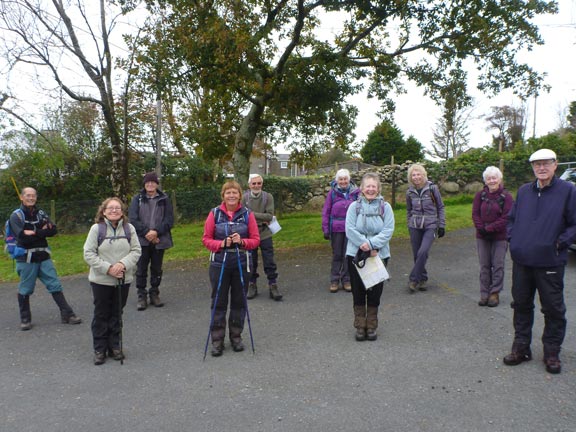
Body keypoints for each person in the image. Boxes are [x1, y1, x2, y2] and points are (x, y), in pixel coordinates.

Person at [503, 149, 576, 375]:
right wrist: (513, 239)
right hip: (522, 260)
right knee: (521, 305)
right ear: (532, 167)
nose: (541, 168)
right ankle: (521, 347)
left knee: (553, 309)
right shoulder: (524, 191)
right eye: (537, 164)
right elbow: (511, 219)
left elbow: (574, 224)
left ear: (555, 165)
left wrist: (559, 243)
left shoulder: (568, 191)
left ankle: (552, 351)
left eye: (546, 164)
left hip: (550, 262)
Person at [10, 187, 82, 331]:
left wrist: (34, 232)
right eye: (28, 195)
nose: (31, 198)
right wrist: (42, 232)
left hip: (43, 256)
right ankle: (25, 319)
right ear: (21, 197)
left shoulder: (41, 213)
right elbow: (22, 237)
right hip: (26, 257)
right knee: (26, 289)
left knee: (55, 285)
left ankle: (67, 314)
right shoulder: (16, 216)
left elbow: (53, 230)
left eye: (33, 195)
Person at [202, 181, 260, 357]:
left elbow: (255, 239)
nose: (232, 196)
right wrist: (222, 243)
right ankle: (217, 340)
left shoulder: (247, 214)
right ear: (223, 195)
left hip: (242, 262)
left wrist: (242, 242)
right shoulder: (214, 214)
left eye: (235, 192)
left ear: (240, 195)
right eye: (228, 193)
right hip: (219, 263)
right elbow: (206, 239)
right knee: (219, 301)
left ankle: (236, 336)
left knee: (239, 301)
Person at [83, 197, 142, 365]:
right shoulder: (96, 229)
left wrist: (122, 265)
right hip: (101, 280)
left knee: (117, 313)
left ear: (122, 212)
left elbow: (136, 250)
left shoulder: (129, 228)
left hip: (123, 279)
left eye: (118, 208)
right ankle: (100, 349)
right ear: (103, 211)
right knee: (101, 314)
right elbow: (88, 253)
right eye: (110, 208)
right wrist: (109, 268)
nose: (114, 210)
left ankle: (115, 346)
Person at [345, 173, 394, 341]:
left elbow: (388, 230)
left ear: (378, 188)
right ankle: (360, 326)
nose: (371, 189)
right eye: (368, 186)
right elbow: (349, 229)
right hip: (355, 254)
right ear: (362, 188)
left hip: (378, 254)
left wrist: (372, 245)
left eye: (374, 186)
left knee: (374, 291)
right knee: (358, 291)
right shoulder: (354, 207)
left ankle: (371, 325)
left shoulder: (385, 207)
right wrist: (364, 245)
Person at [129, 172, 174, 311]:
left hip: (159, 240)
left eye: (153, 182)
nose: (150, 184)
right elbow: (133, 219)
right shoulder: (137, 199)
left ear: (156, 184)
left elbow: (169, 220)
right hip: (141, 240)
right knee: (141, 268)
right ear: (144, 184)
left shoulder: (165, 198)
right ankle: (141, 295)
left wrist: (156, 232)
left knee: (156, 268)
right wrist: (147, 232)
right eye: (147, 182)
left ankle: (154, 293)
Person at [472, 166, 514, 307]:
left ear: (500, 179)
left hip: (500, 236)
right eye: (489, 178)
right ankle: (484, 293)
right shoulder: (480, 195)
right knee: (484, 265)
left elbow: (507, 217)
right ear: (485, 181)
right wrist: (481, 228)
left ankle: (494, 293)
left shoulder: (506, 197)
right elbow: (475, 214)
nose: (491, 181)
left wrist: (489, 228)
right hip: (482, 236)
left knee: (498, 265)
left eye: (494, 178)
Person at [405, 163, 445, 293]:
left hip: (430, 224)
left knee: (423, 252)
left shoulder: (432, 188)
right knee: (417, 254)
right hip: (414, 225)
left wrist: (441, 225)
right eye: (413, 175)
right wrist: (409, 222)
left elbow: (440, 207)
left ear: (423, 175)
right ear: (411, 177)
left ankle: (413, 279)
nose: (416, 177)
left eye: (418, 174)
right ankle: (423, 278)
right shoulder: (409, 192)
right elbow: (408, 210)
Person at [242, 174, 282, 301]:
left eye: (259, 183)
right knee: (251, 260)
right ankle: (252, 284)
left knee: (269, 260)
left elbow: (269, 216)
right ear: (249, 185)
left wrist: (252, 214)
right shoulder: (244, 198)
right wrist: (261, 217)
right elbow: (243, 215)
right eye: (254, 183)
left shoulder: (268, 197)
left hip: (265, 233)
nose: (256, 186)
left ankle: (273, 284)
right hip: (250, 234)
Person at [322, 169, 360, 293]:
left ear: (349, 179)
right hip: (336, 229)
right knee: (337, 254)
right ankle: (334, 280)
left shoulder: (356, 193)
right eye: (341, 179)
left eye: (345, 179)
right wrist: (326, 229)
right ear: (337, 180)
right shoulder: (332, 193)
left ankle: (347, 280)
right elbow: (326, 212)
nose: (343, 181)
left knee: (348, 255)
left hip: (351, 229)